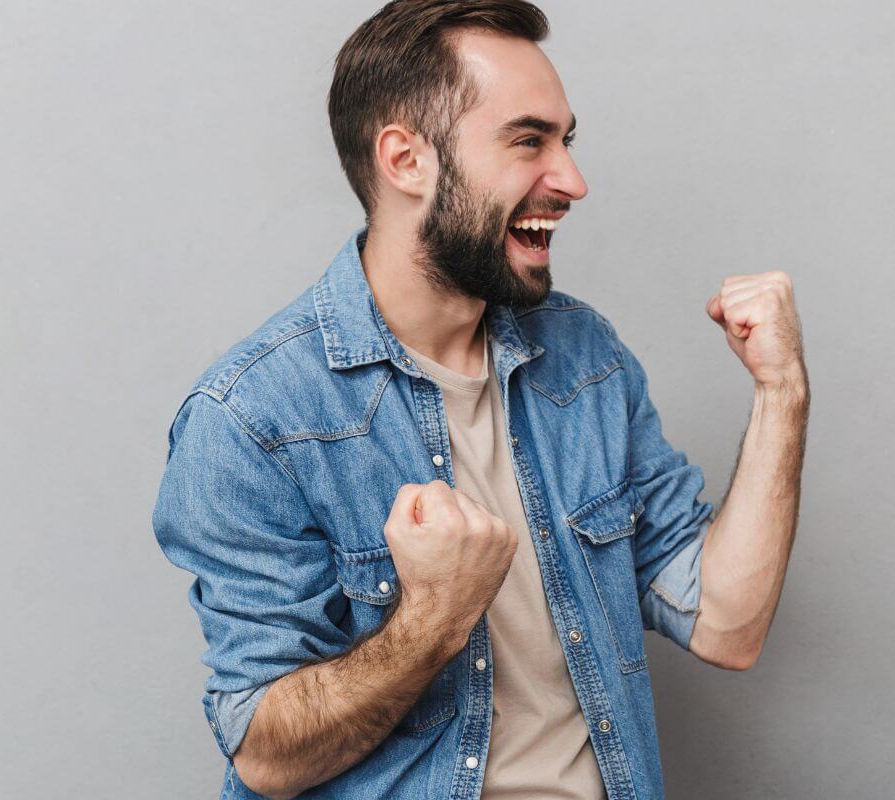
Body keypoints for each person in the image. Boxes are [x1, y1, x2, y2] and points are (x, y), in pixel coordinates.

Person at [151, 2, 810, 798]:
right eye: (529, 141)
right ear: (406, 160)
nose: (571, 181)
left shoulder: (584, 357)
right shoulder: (253, 418)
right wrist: (436, 615)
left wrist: (781, 392)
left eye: (566, 141)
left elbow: (727, 625)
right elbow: (268, 757)